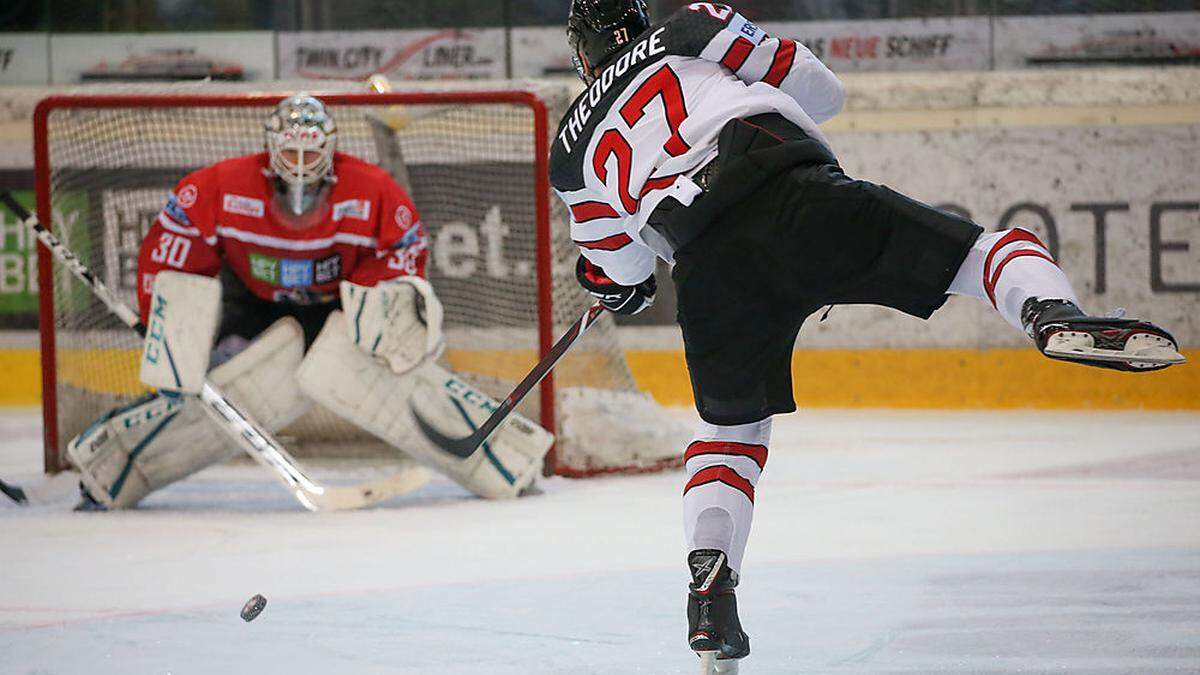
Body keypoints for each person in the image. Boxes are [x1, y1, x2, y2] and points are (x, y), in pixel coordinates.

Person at [552, 2, 1185, 671]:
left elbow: (619, 267)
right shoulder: (689, 28)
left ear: (582, 54)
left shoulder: (570, 149)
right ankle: (1051, 314)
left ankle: (710, 591)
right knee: (981, 254)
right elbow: (824, 91)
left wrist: (623, 287)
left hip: (709, 268)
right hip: (797, 197)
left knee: (731, 436)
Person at [70, 94, 550, 511]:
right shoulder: (218, 186)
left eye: (311, 149)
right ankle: (111, 471)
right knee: (210, 390)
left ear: (331, 147)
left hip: (333, 306)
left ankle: (509, 462)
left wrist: (378, 311)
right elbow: (171, 253)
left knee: (394, 379)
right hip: (250, 307)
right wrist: (169, 329)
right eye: (291, 149)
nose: (300, 160)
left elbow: (405, 252)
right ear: (271, 147)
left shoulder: (372, 190)